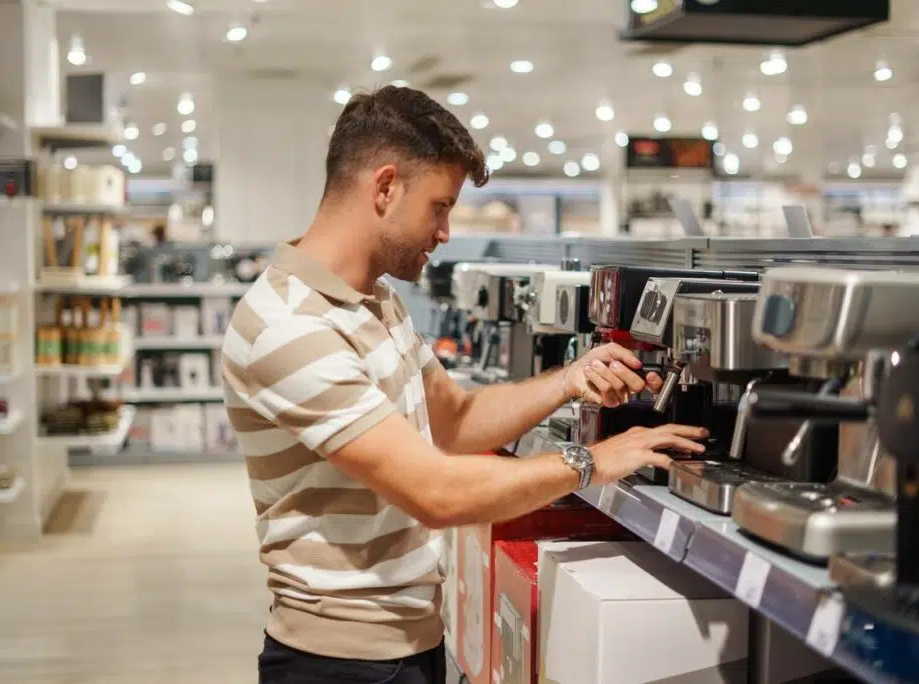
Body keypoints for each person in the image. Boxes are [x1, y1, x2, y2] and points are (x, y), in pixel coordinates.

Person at [221, 85, 708, 684]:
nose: (446, 231)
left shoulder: (376, 300)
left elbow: (451, 420)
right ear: (385, 187)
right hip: (338, 663)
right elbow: (435, 492)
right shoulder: (288, 325)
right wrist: (592, 460)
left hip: (407, 645)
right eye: (439, 206)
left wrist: (568, 382)